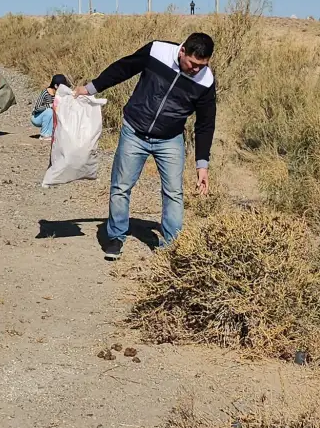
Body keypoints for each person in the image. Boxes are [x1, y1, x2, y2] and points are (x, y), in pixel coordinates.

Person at [75, 33, 216, 260]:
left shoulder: (206, 81)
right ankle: (115, 237)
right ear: (182, 51)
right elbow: (124, 68)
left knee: (174, 193)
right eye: (193, 63)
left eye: (203, 65)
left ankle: (173, 246)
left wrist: (202, 165)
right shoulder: (157, 51)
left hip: (170, 140)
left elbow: (206, 124)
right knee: (121, 187)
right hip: (134, 131)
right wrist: (90, 88)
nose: (196, 70)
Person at [31, 74, 73, 141]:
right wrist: (49, 105)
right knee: (50, 111)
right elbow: (37, 109)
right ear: (56, 86)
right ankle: (44, 135)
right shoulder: (45, 93)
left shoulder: (61, 94)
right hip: (37, 117)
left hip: (51, 117)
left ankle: (54, 134)